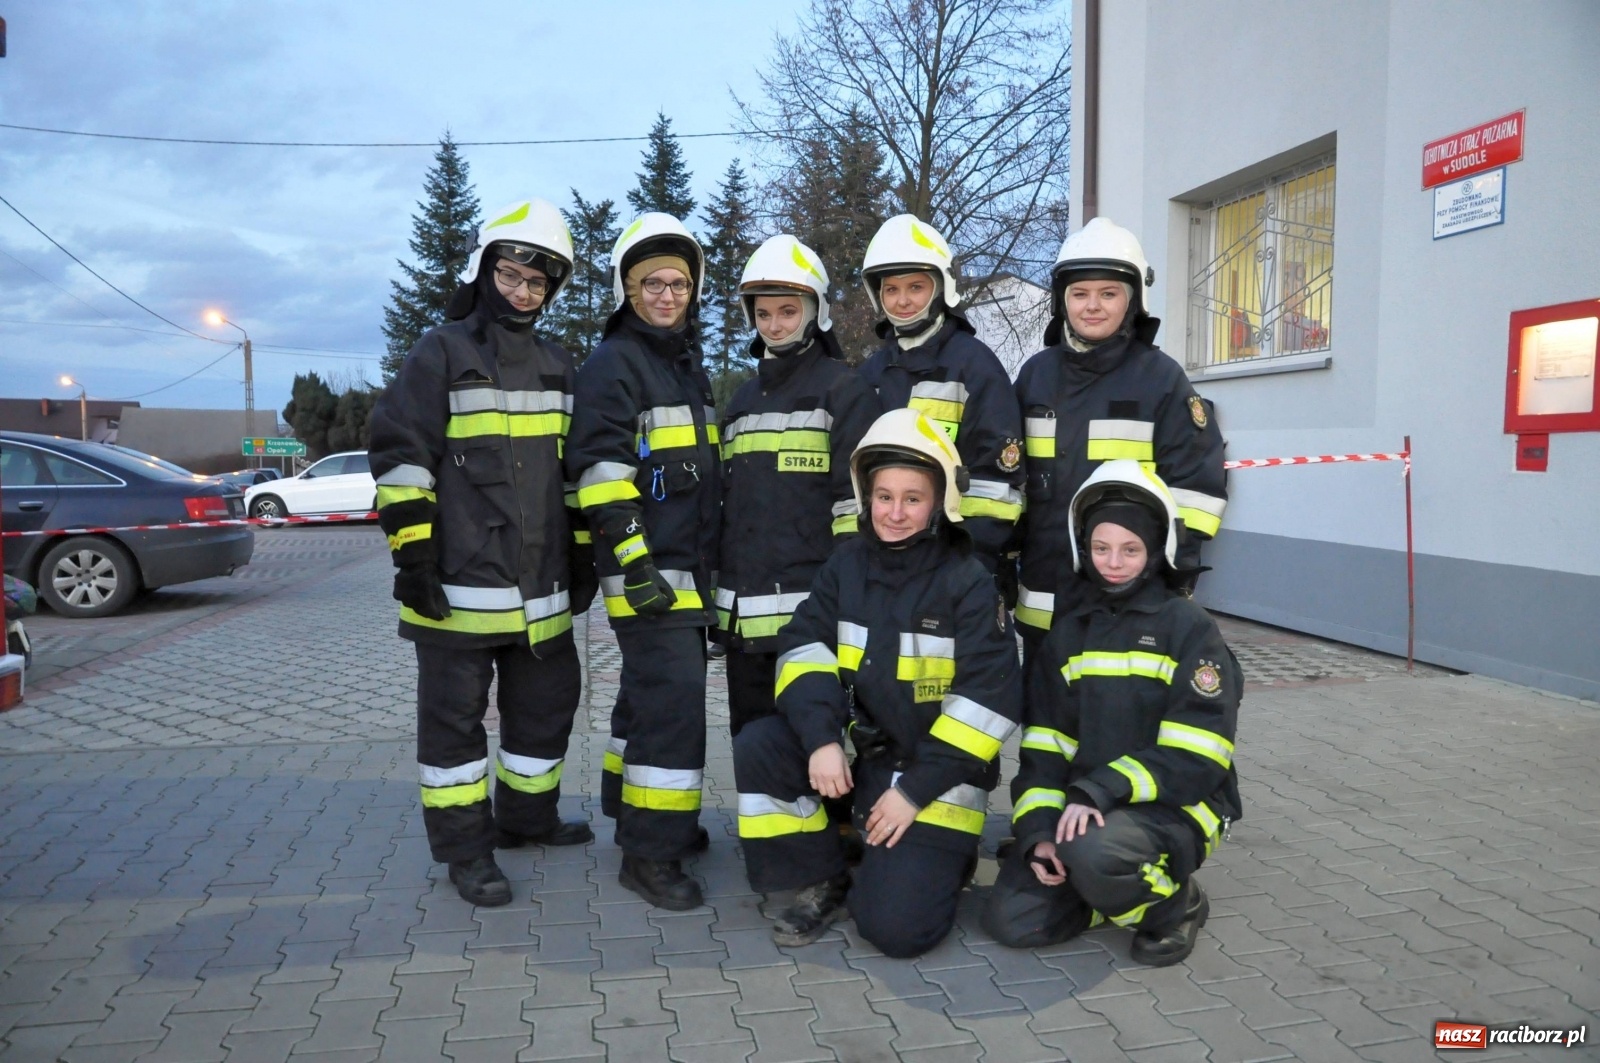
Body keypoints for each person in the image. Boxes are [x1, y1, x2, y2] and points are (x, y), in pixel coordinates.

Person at [369, 198, 597, 907]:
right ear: (485, 270)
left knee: (546, 711)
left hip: (541, 594)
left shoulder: (559, 365)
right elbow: (401, 460)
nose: (523, 292)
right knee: (454, 729)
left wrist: (582, 556)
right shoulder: (440, 352)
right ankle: (467, 852)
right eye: (511, 276)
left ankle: (526, 820)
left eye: (538, 282)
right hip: (456, 591)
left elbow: (575, 475)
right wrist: (412, 559)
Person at [733, 408, 1022, 957]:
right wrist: (822, 739)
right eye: (884, 496)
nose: (894, 512)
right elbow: (802, 649)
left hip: (932, 778)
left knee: (896, 931)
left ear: (940, 502)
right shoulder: (845, 566)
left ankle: (938, 857)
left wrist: (912, 792)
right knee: (761, 745)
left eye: (912, 498)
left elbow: (989, 703)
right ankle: (823, 875)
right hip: (861, 759)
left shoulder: (968, 583)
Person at [982, 460, 1241, 966]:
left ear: (1156, 550)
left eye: (1130, 549)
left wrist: (1097, 791)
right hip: (1090, 810)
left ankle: (1176, 905)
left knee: (1094, 853)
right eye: (1101, 548)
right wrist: (1039, 834)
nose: (1113, 563)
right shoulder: (1069, 633)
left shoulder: (1188, 628)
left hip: (1177, 805)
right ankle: (1103, 889)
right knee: (1012, 920)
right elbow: (1044, 749)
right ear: (1083, 548)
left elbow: (1198, 753)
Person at [566, 212, 721, 911]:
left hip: (686, 570)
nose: (667, 295)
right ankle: (651, 853)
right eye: (652, 283)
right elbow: (601, 473)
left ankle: (630, 807)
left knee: (646, 696)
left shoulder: (683, 365)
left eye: (678, 284)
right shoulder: (615, 364)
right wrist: (635, 563)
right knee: (674, 706)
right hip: (648, 572)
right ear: (627, 290)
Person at [1012, 218, 1228, 659]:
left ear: (1133, 300)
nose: (1092, 306)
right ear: (1061, 300)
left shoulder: (1161, 380)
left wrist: (1173, 572)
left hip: (1128, 599)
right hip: (1044, 598)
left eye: (1108, 294)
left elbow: (1196, 490)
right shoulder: (1035, 376)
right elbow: (1010, 478)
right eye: (1079, 294)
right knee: (1043, 702)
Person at [716, 235, 878, 735]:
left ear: (815, 312)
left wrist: (844, 599)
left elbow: (854, 506)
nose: (774, 325)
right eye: (763, 313)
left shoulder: (844, 391)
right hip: (744, 622)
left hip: (812, 616)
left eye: (788, 311)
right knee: (751, 745)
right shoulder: (742, 401)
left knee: (814, 744)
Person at [857, 215, 1025, 586]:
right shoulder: (869, 375)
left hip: (955, 568)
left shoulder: (975, 367)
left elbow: (996, 488)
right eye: (891, 289)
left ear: (941, 287)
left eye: (915, 287)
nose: (902, 300)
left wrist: (964, 566)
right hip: (881, 565)